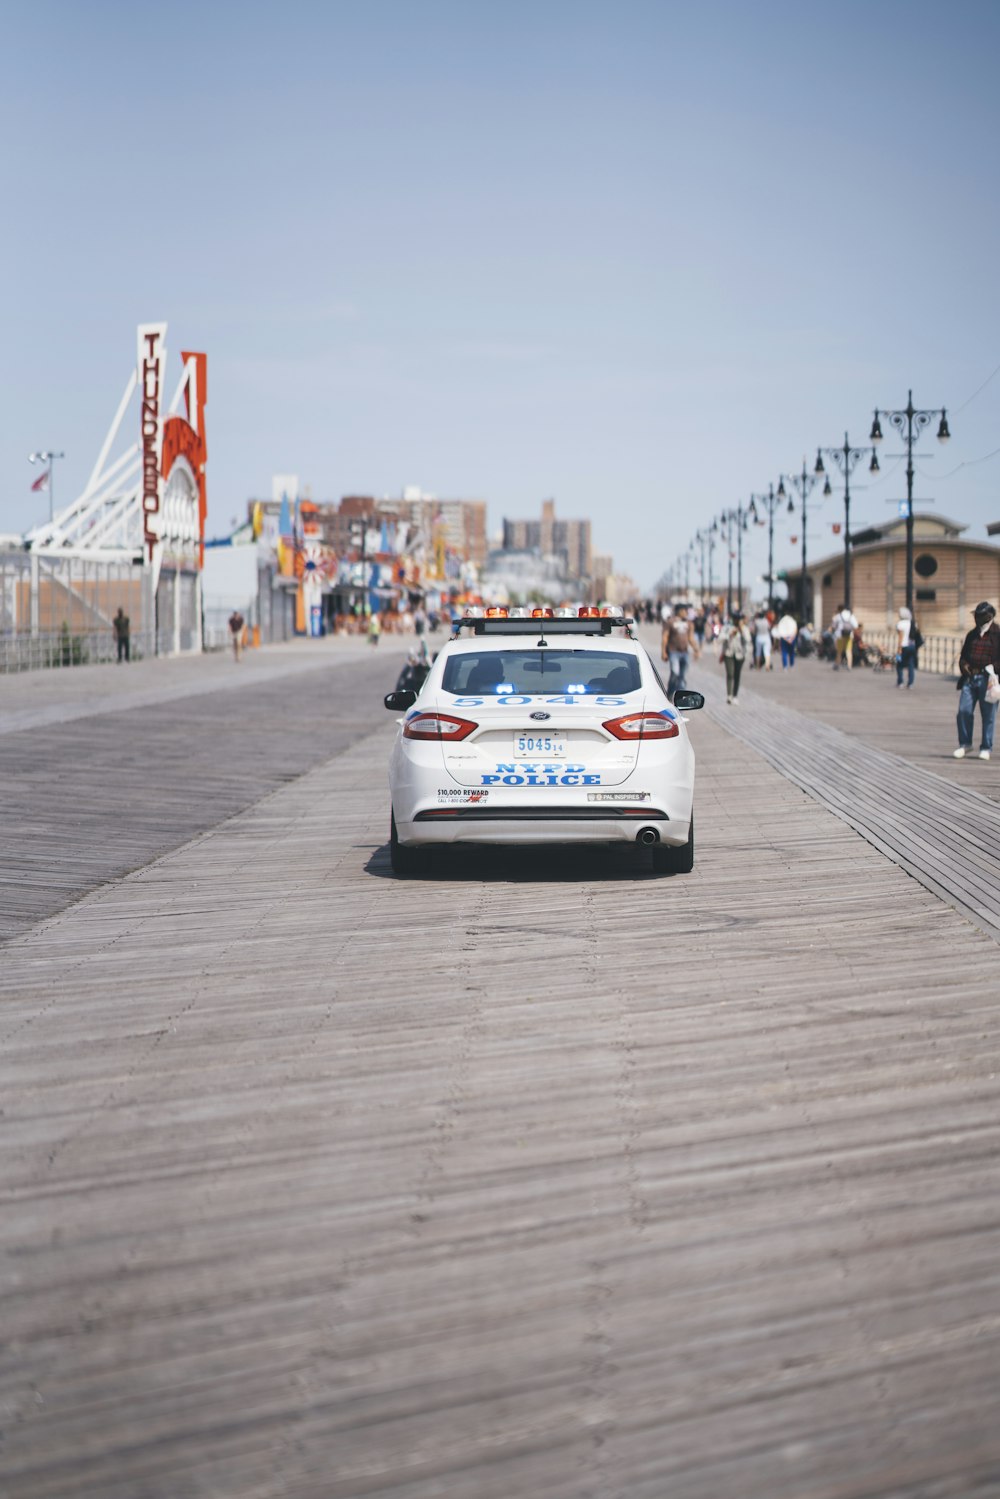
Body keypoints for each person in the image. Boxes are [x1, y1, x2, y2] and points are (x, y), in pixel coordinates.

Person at [955, 601, 1000, 760]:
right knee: (963, 711)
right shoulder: (972, 634)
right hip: (970, 678)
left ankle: (986, 747)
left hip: (988, 680)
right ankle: (965, 744)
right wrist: (964, 666)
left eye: (981, 616)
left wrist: (994, 668)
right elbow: (963, 656)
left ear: (989, 616)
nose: (978, 619)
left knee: (988, 714)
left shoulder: (997, 634)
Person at [718, 610, 752, 704]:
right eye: (736, 619)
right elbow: (720, 639)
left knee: (737, 675)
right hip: (728, 653)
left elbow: (748, 640)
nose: (737, 621)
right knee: (730, 674)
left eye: (739, 619)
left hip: (740, 655)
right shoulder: (727, 627)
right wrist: (729, 634)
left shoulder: (744, 629)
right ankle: (729, 695)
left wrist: (741, 630)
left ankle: (735, 695)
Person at [662, 610, 695, 698]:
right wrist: (664, 652)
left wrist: (696, 649)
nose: (685, 613)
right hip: (673, 652)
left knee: (682, 677)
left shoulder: (688, 623)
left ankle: (680, 697)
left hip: (685, 652)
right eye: (684, 610)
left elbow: (690, 637)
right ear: (679, 611)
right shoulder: (671, 622)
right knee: (674, 673)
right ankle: (669, 694)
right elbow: (665, 637)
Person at [895, 606, 919, 689]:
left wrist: (898, 648)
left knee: (899, 664)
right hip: (912, 646)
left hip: (904, 646)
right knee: (911, 665)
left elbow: (901, 637)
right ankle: (910, 683)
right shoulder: (913, 623)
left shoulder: (900, 624)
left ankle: (900, 682)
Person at [832, 603, 858, 670]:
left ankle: (837, 664)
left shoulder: (838, 616)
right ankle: (849, 666)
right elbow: (856, 625)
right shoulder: (851, 615)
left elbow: (833, 626)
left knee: (839, 651)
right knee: (848, 651)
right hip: (849, 635)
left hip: (840, 635)